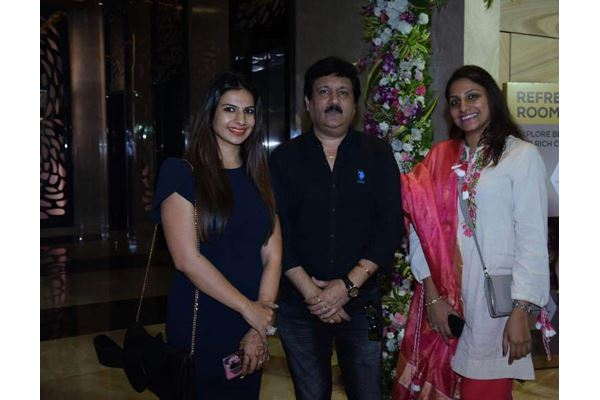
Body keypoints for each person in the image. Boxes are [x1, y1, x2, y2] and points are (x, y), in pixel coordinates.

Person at [392, 65, 549, 400]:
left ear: (491, 98)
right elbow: (421, 229)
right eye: (455, 101)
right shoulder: (440, 157)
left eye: (472, 96)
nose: (464, 107)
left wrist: (522, 310)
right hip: (445, 303)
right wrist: (433, 298)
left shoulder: (520, 156)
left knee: (483, 391)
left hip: (494, 304)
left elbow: (533, 238)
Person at [269, 56, 403, 400]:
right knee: (310, 394)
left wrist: (347, 287)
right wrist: (314, 295)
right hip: (299, 305)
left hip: (365, 301)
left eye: (343, 92)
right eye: (324, 92)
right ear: (308, 103)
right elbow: (275, 230)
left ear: (354, 105)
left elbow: (390, 226)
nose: (333, 100)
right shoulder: (283, 158)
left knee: (370, 390)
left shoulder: (377, 153)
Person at [152, 72, 281, 399]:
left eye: (248, 111)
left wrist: (259, 322)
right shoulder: (181, 173)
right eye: (230, 109)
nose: (241, 120)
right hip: (203, 319)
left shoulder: (259, 175)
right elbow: (186, 259)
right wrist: (249, 309)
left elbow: (272, 254)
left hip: (251, 319)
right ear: (210, 114)